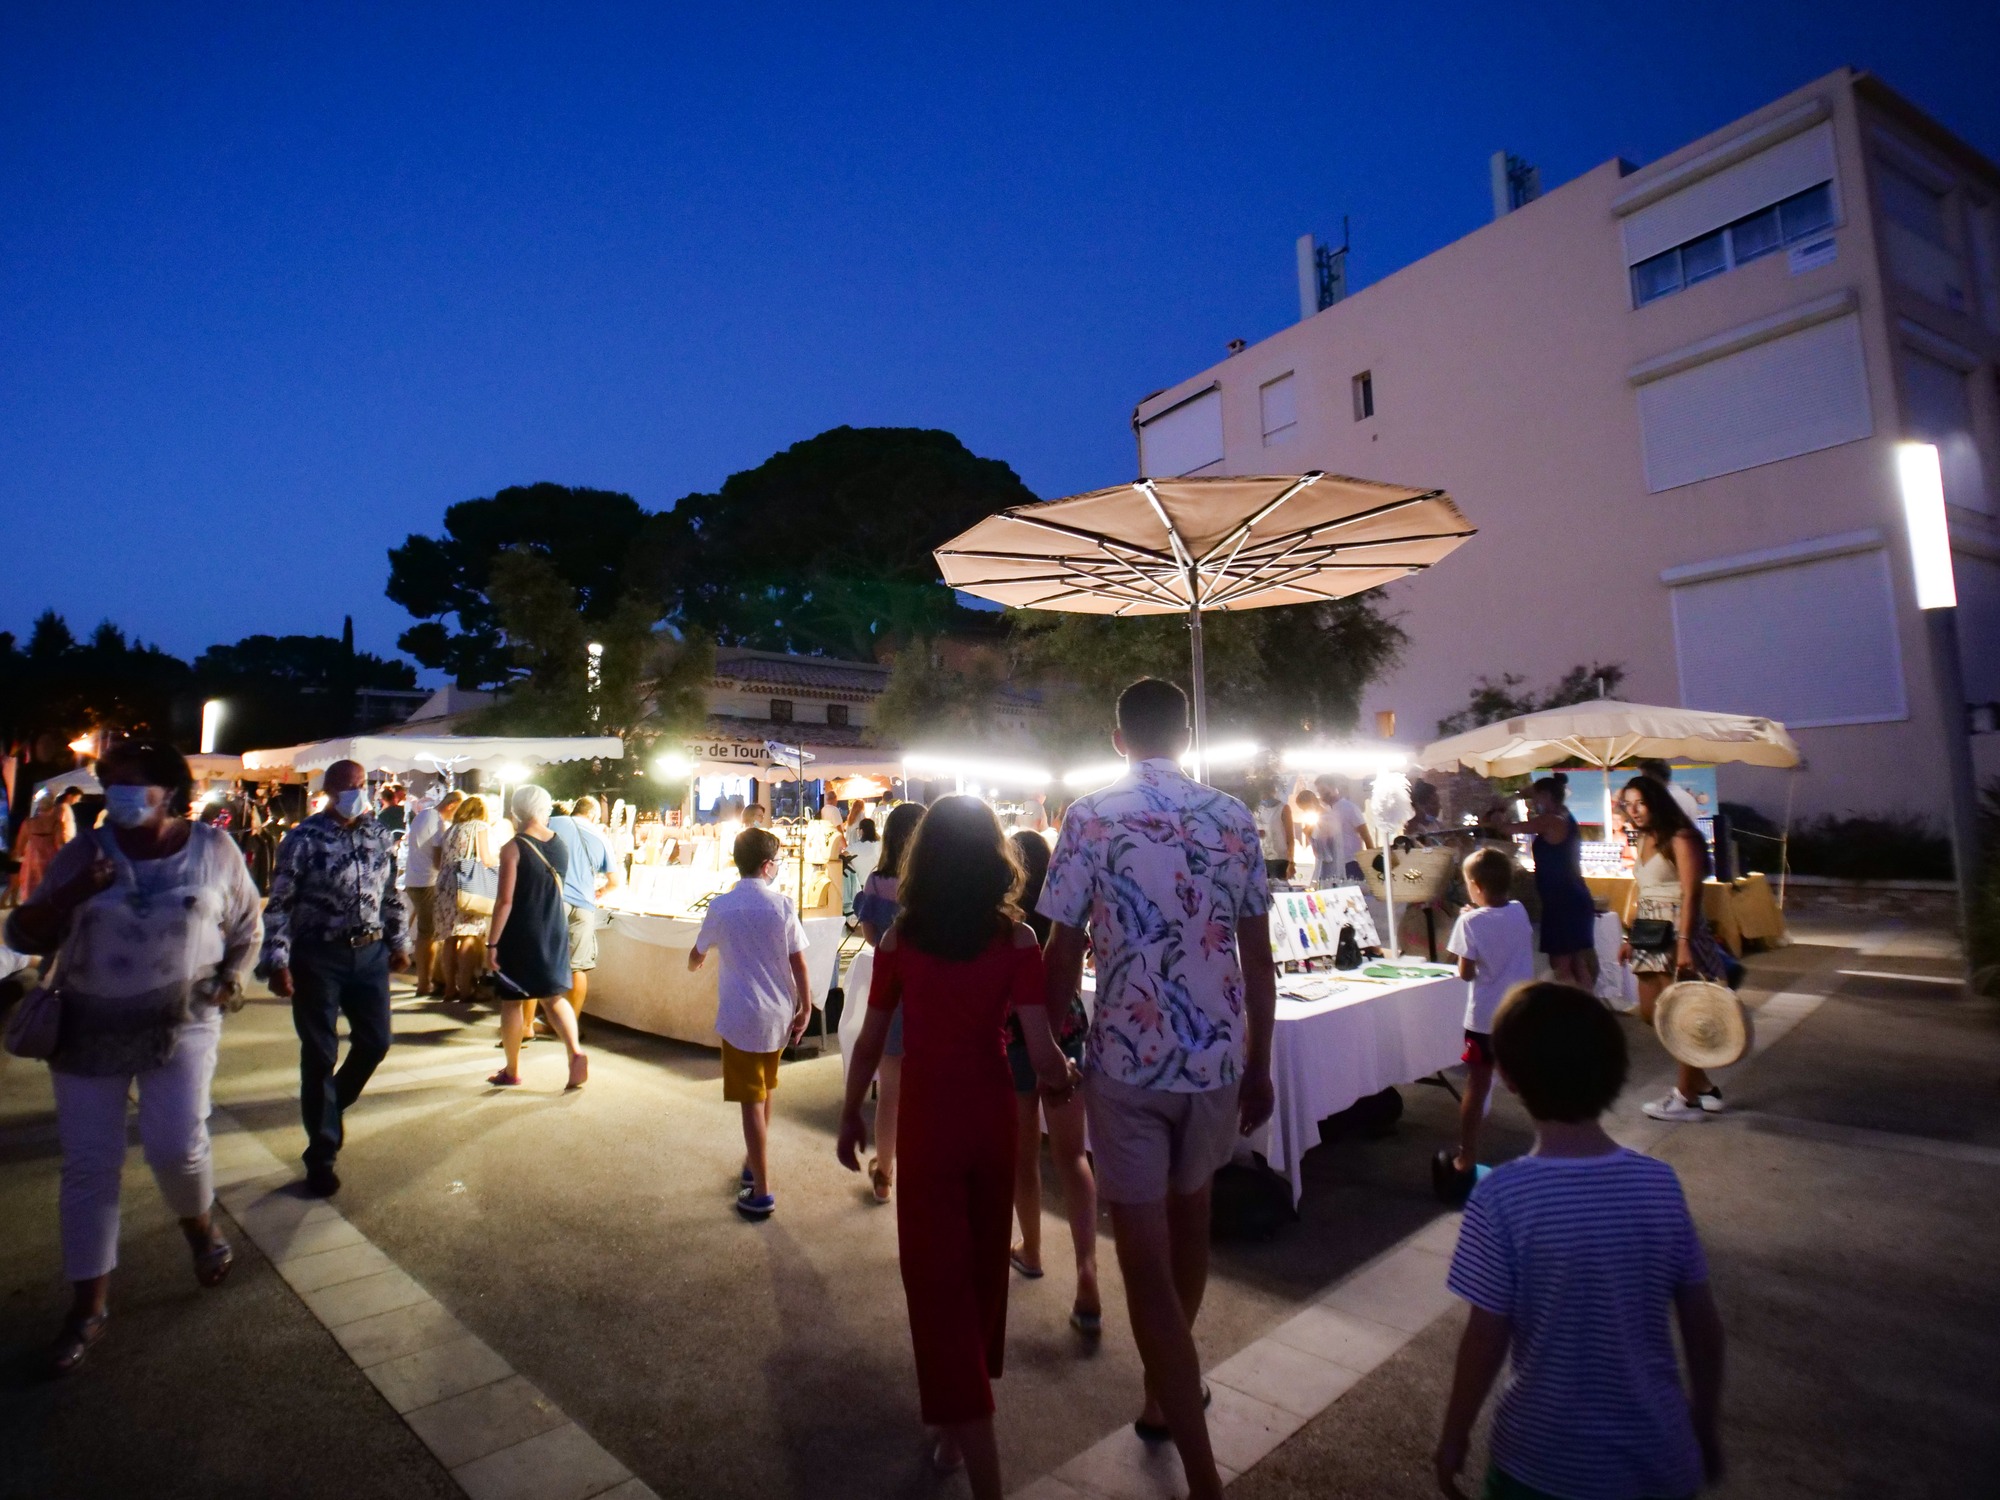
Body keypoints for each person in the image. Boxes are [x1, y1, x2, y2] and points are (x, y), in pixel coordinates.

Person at [1038, 679, 1277, 1500]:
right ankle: (1164, 1392)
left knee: (1143, 1263)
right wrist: (1261, 1062)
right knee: (1192, 1221)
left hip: (1128, 1063)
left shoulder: (1090, 815)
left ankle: (1199, 1465)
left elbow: (1061, 951)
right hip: (1214, 1063)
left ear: (1117, 737)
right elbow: (1259, 957)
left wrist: (1059, 1042)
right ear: (1185, 732)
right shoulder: (1233, 817)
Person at [836, 796, 1074, 1499]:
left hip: (931, 1118)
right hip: (996, 1113)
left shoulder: (900, 941)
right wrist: (1066, 1077)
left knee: (934, 1287)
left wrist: (853, 1112)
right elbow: (1041, 1047)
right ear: (994, 861)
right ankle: (950, 1431)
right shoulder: (1019, 941)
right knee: (977, 1273)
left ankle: (982, 1466)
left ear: (925, 861)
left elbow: (875, 1037)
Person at [4, 740, 261, 1375]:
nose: (118, 792)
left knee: (177, 1145)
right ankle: (87, 1309)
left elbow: (247, 924)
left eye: (132, 782)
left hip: (182, 1022)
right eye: (110, 781)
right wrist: (69, 896)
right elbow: (19, 933)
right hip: (88, 1026)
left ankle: (200, 1228)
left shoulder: (213, 849)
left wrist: (233, 978)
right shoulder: (86, 850)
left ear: (170, 791)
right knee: (91, 1166)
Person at [1434, 981, 1725, 1500]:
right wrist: (1702, 1423)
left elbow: (1484, 1340)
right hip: (1659, 1454)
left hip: (1541, 1460)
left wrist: (1455, 1435)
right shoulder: (1659, 1184)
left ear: (1508, 1077)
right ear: (1614, 1072)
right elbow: (1703, 1327)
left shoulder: (1501, 1198)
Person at [261, 759, 411, 1197]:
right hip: (318, 956)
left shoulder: (378, 834)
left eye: (363, 784)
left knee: (376, 1042)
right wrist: (277, 959)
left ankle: (328, 1107)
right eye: (349, 786)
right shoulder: (303, 839)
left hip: (369, 954)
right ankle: (322, 1154)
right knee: (320, 1052)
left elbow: (390, 893)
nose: (358, 792)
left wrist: (398, 942)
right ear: (329, 790)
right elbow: (281, 903)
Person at [1004, 828, 1100, 1335]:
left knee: (1024, 1152)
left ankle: (1033, 1249)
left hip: (1018, 1034)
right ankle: (1087, 1269)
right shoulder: (1068, 908)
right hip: (1066, 1027)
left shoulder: (1007, 921)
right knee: (1073, 1154)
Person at [689, 827, 813, 1219]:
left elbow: (697, 952)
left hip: (741, 1014)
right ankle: (752, 1163)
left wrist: (697, 961)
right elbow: (799, 961)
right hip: (778, 1012)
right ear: (766, 865)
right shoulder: (782, 906)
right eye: (775, 861)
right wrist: (806, 1005)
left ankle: (761, 1190)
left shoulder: (721, 906)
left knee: (751, 1101)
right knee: (765, 1090)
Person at [1620, 778, 1731, 1123]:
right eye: (1628, 804)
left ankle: (1684, 1098)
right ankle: (1704, 1086)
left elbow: (1692, 893)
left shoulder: (1682, 838)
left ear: (1656, 802)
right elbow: (1645, 890)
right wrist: (1630, 936)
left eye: (1640, 802)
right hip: (1649, 933)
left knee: (1678, 1014)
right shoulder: (1645, 840)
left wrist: (1684, 943)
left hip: (1677, 932)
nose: (1633, 810)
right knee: (1652, 1012)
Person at [1434, 848, 1535, 1204]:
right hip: (1520, 1013)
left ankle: (1468, 1156)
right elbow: (1502, 925)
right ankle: (1550, 1149)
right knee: (1528, 1082)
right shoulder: (1520, 911)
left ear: (1474, 886)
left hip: (1484, 1019)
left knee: (1477, 1088)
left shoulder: (1469, 923)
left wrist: (1468, 921)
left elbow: (1465, 972)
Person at [484, 786, 588, 1091]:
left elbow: (505, 901)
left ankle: (512, 1069)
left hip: (520, 931)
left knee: (513, 1001)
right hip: (553, 927)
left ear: (516, 810)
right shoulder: (561, 845)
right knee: (553, 996)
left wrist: (491, 943)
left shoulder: (513, 848)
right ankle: (575, 1051)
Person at [852, 799, 926, 1204]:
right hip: (929, 993)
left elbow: (869, 936)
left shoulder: (876, 881)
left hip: (890, 993)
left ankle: (884, 1170)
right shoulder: (934, 885)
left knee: (891, 1088)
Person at [1487, 773, 1600, 988]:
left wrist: (1502, 807)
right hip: (1570, 895)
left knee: (1561, 965)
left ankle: (1568, 1012)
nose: (1533, 803)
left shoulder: (1550, 820)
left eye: (1536, 798)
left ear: (1546, 795)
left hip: (1562, 899)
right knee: (1577, 962)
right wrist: (1522, 794)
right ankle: (1586, 1009)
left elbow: (1504, 828)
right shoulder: (1565, 815)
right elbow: (1533, 793)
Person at [547, 794, 623, 1028]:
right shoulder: (601, 837)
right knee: (578, 966)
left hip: (552, 900)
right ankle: (570, 1024)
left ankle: (538, 1021)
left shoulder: (554, 823)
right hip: (583, 905)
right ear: (592, 815)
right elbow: (614, 881)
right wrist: (600, 892)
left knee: (545, 961)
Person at [433, 796, 496, 1003]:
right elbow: (486, 858)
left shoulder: (451, 830)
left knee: (449, 938)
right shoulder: (480, 826)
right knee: (468, 934)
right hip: (466, 884)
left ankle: (450, 987)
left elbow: (440, 859)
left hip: (444, 883)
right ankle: (466, 988)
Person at [403, 788, 462, 998]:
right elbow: (438, 860)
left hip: (415, 879)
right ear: (452, 805)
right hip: (427, 881)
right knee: (429, 933)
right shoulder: (435, 820)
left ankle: (432, 979)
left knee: (428, 931)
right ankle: (425, 983)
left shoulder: (424, 815)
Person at [7, 785, 81, 905]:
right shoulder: (56, 823)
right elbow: (60, 843)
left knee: (31, 890)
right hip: (51, 858)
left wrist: (18, 856)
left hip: (32, 859)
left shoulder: (28, 823)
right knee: (49, 890)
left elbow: (19, 848)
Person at [1310, 776, 1370, 884]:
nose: (1321, 794)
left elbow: (1365, 833)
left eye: (1323, 790)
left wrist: (1371, 860)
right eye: (1319, 791)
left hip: (1350, 861)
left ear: (1333, 787)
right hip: (1331, 864)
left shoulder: (1349, 808)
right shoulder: (1322, 811)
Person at [1638, 758, 1706, 833]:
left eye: (1645, 777)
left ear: (1654, 776)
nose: (1644, 782)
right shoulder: (1685, 796)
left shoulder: (1665, 799)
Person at [1250, 777, 1296, 884]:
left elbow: (1290, 837)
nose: (1264, 796)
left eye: (1266, 792)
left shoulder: (1283, 808)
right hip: (1261, 857)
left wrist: (1291, 861)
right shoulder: (1257, 809)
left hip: (1279, 857)